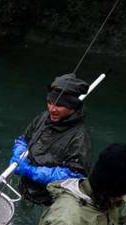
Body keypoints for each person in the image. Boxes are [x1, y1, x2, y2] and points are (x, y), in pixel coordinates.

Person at [9, 73, 92, 206]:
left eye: (59, 105)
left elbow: (73, 176)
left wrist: (31, 171)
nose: (52, 109)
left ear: (72, 107)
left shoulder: (80, 137)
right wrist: (19, 151)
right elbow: (24, 139)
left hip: (51, 200)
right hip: (25, 190)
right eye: (49, 102)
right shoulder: (43, 117)